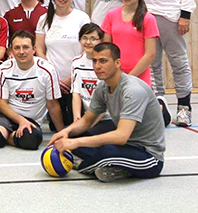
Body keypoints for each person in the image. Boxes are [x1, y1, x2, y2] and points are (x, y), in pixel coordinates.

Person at [50, 42, 166, 182]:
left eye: (103, 61)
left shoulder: (133, 90)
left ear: (117, 63)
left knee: (107, 151)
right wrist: (65, 132)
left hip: (148, 157)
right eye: (95, 61)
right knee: (76, 137)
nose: (97, 66)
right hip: (123, 148)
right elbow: (86, 121)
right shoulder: (102, 87)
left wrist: (76, 143)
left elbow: (121, 136)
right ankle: (115, 168)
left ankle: (83, 165)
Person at [0, 31, 64, 150]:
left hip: (32, 120)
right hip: (8, 115)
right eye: (17, 48)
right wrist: (20, 121)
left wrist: (62, 133)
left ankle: (7, 136)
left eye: (26, 47)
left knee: (32, 140)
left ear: (34, 49)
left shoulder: (47, 70)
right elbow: (1, 103)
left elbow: (53, 105)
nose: (21, 52)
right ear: (11, 50)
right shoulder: (4, 69)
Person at [36, 0, 90, 125]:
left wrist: (70, 78)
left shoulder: (82, 18)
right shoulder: (44, 19)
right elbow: (39, 49)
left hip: (76, 80)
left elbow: (87, 49)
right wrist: (53, 77)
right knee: (56, 126)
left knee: (76, 124)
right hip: (53, 81)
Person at [71, 23, 114, 130]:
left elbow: (107, 102)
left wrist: (87, 125)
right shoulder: (76, 62)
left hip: (107, 117)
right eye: (84, 38)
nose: (88, 42)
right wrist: (77, 119)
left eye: (93, 39)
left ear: (101, 41)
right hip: (87, 117)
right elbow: (76, 93)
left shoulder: (107, 63)